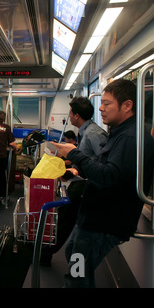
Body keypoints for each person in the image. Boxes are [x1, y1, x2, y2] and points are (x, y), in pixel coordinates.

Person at [51, 79, 154, 288]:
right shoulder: (120, 133)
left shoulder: (129, 138)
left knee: (76, 276)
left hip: (102, 223)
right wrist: (78, 169)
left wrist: (74, 154)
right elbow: (105, 165)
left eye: (107, 103)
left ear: (127, 105)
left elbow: (108, 175)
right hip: (94, 219)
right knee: (74, 255)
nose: (100, 107)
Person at [42, 98, 108, 266]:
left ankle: (45, 254)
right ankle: (46, 252)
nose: (69, 117)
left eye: (70, 113)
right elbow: (88, 159)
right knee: (64, 219)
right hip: (82, 180)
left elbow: (103, 164)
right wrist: (74, 170)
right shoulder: (85, 131)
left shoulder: (94, 134)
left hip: (89, 186)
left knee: (65, 220)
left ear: (77, 116)